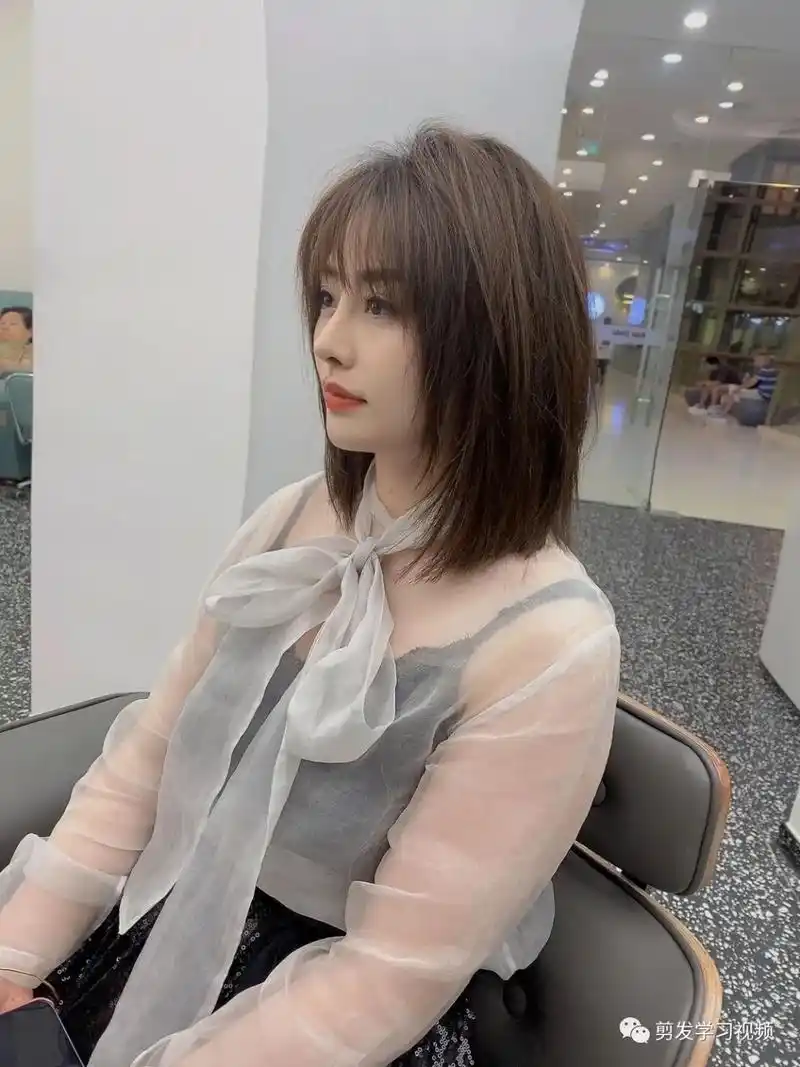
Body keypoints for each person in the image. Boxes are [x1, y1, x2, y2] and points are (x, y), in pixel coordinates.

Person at [0, 124, 619, 1067]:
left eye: (382, 305)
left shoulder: (548, 641)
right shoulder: (294, 521)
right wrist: (16, 951)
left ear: (496, 331)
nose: (329, 340)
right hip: (179, 912)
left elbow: (390, 976)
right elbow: (148, 759)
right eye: (327, 298)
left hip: (334, 1013)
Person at [707, 351, 778, 420]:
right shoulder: (771, 370)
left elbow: (752, 382)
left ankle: (723, 413)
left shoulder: (765, 370)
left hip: (761, 394)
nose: (754, 363)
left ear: (762, 360)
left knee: (733, 393)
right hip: (762, 393)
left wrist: (739, 388)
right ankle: (723, 411)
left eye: (755, 360)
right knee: (731, 392)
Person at [0, 306, 33, 375]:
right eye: (2, 323)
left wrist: (4, 366)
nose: (5, 327)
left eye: (13, 324)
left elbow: (29, 367)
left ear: (30, 332)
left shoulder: (32, 350)